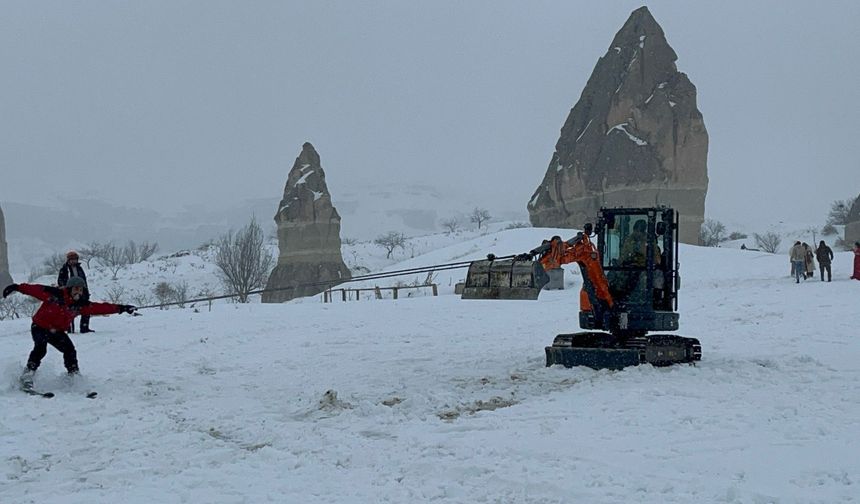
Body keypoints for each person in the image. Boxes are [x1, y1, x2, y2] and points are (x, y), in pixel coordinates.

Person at [1, 278, 135, 388]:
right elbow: (35, 289)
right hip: (40, 326)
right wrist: (17, 287)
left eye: (81, 289)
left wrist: (121, 308)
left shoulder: (80, 305)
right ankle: (27, 375)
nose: (79, 292)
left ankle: (73, 376)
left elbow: (100, 308)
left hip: (56, 331)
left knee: (70, 350)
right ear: (70, 289)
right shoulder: (54, 294)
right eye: (76, 288)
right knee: (41, 348)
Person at [58, 250, 92, 333]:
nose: (73, 261)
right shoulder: (64, 269)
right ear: (68, 260)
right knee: (69, 311)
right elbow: (60, 281)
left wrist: (86, 292)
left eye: (75, 259)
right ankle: (68, 328)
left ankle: (84, 328)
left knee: (86, 309)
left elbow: (84, 280)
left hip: (82, 292)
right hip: (70, 293)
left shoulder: (80, 269)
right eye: (71, 259)